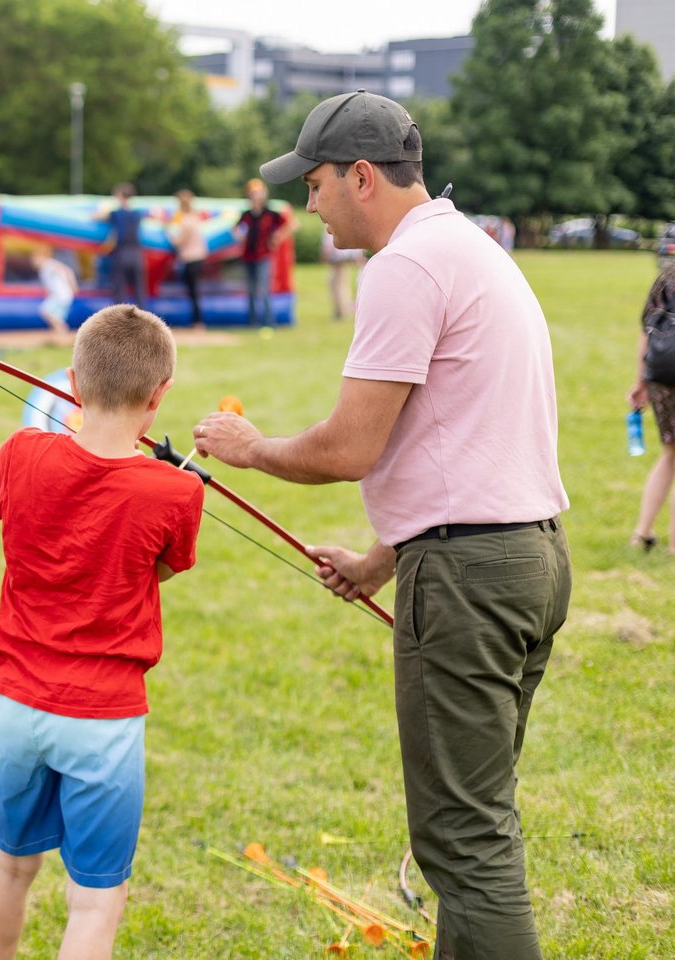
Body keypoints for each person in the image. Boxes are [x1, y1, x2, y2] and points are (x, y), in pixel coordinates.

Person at [193, 90, 570, 960]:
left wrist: (250, 449)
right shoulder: (469, 248)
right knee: (478, 824)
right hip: (530, 559)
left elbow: (349, 447)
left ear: (362, 175)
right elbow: (466, 444)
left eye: (316, 182)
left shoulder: (404, 266)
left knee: (464, 844)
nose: (308, 202)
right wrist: (378, 563)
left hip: (472, 582)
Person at [0, 305, 205, 960]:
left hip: (16, 705)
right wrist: (176, 480)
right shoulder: (175, 492)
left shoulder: (22, 451)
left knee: (11, 865)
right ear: (159, 398)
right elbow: (157, 569)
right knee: (95, 898)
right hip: (102, 721)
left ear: (70, 384)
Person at [628, 263, 675, 550]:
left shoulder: (667, 276)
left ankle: (642, 533)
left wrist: (640, 380)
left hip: (660, 372)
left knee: (670, 451)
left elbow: (646, 330)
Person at [235, 179, 295, 328]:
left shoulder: (271, 213)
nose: (256, 196)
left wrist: (277, 237)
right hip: (248, 256)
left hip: (263, 256)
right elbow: (236, 229)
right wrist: (240, 237)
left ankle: (269, 321)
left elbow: (292, 224)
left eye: (258, 193)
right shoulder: (247, 214)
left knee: (264, 290)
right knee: (250, 291)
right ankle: (253, 322)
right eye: (253, 193)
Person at [101, 183, 146, 307]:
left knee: (119, 290)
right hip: (137, 253)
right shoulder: (137, 214)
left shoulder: (117, 214)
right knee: (139, 290)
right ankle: (143, 321)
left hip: (122, 253)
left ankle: (119, 323)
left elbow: (99, 216)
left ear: (120, 196)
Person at [167, 189, 207, 329]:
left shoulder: (185, 220)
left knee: (193, 292)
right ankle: (197, 321)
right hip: (199, 257)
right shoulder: (195, 217)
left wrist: (169, 236)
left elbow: (179, 242)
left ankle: (197, 322)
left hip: (190, 259)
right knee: (194, 291)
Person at [31, 244, 77, 336]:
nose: (33, 262)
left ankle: (62, 330)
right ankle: (60, 332)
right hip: (60, 295)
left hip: (61, 295)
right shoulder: (43, 269)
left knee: (46, 311)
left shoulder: (49, 264)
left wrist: (73, 285)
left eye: (35, 259)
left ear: (42, 257)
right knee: (55, 315)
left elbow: (67, 271)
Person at [322, 230, 366, 321]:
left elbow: (328, 242)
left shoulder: (332, 224)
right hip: (342, 257)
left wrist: (326, 254)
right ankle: (342, 310)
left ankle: (342, 311)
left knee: (337, 285)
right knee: (341, 283)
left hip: (338, 257)